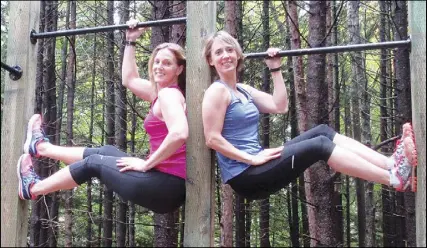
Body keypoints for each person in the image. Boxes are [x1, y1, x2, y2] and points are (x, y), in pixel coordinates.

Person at [201, 30, 418, 200]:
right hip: (246, 176)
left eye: (229, 50)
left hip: (258, 164)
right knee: (320, 145)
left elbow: (279, 105)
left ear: (237, 54)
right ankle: (394, 178)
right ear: (210, 60)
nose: (225, 56)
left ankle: (390, 163)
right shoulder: (217, 91)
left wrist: (275, 70)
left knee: (323, 131)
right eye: (218, 52)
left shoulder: (243, 90)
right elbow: (212, 138)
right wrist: (251, 157)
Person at [16, 19, 188, 214]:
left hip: (167, 185)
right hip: (165, 183)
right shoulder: (160, 92)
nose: (159, 67)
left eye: (167, 63)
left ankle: (32, 189)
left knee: (94, 163)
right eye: (156, 61)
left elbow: (179, 133)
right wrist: (130, 41)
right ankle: (41, 147)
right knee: (105, 151)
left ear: (179, 69)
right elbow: (129, 79)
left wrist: (147, 163)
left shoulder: (169, 95)